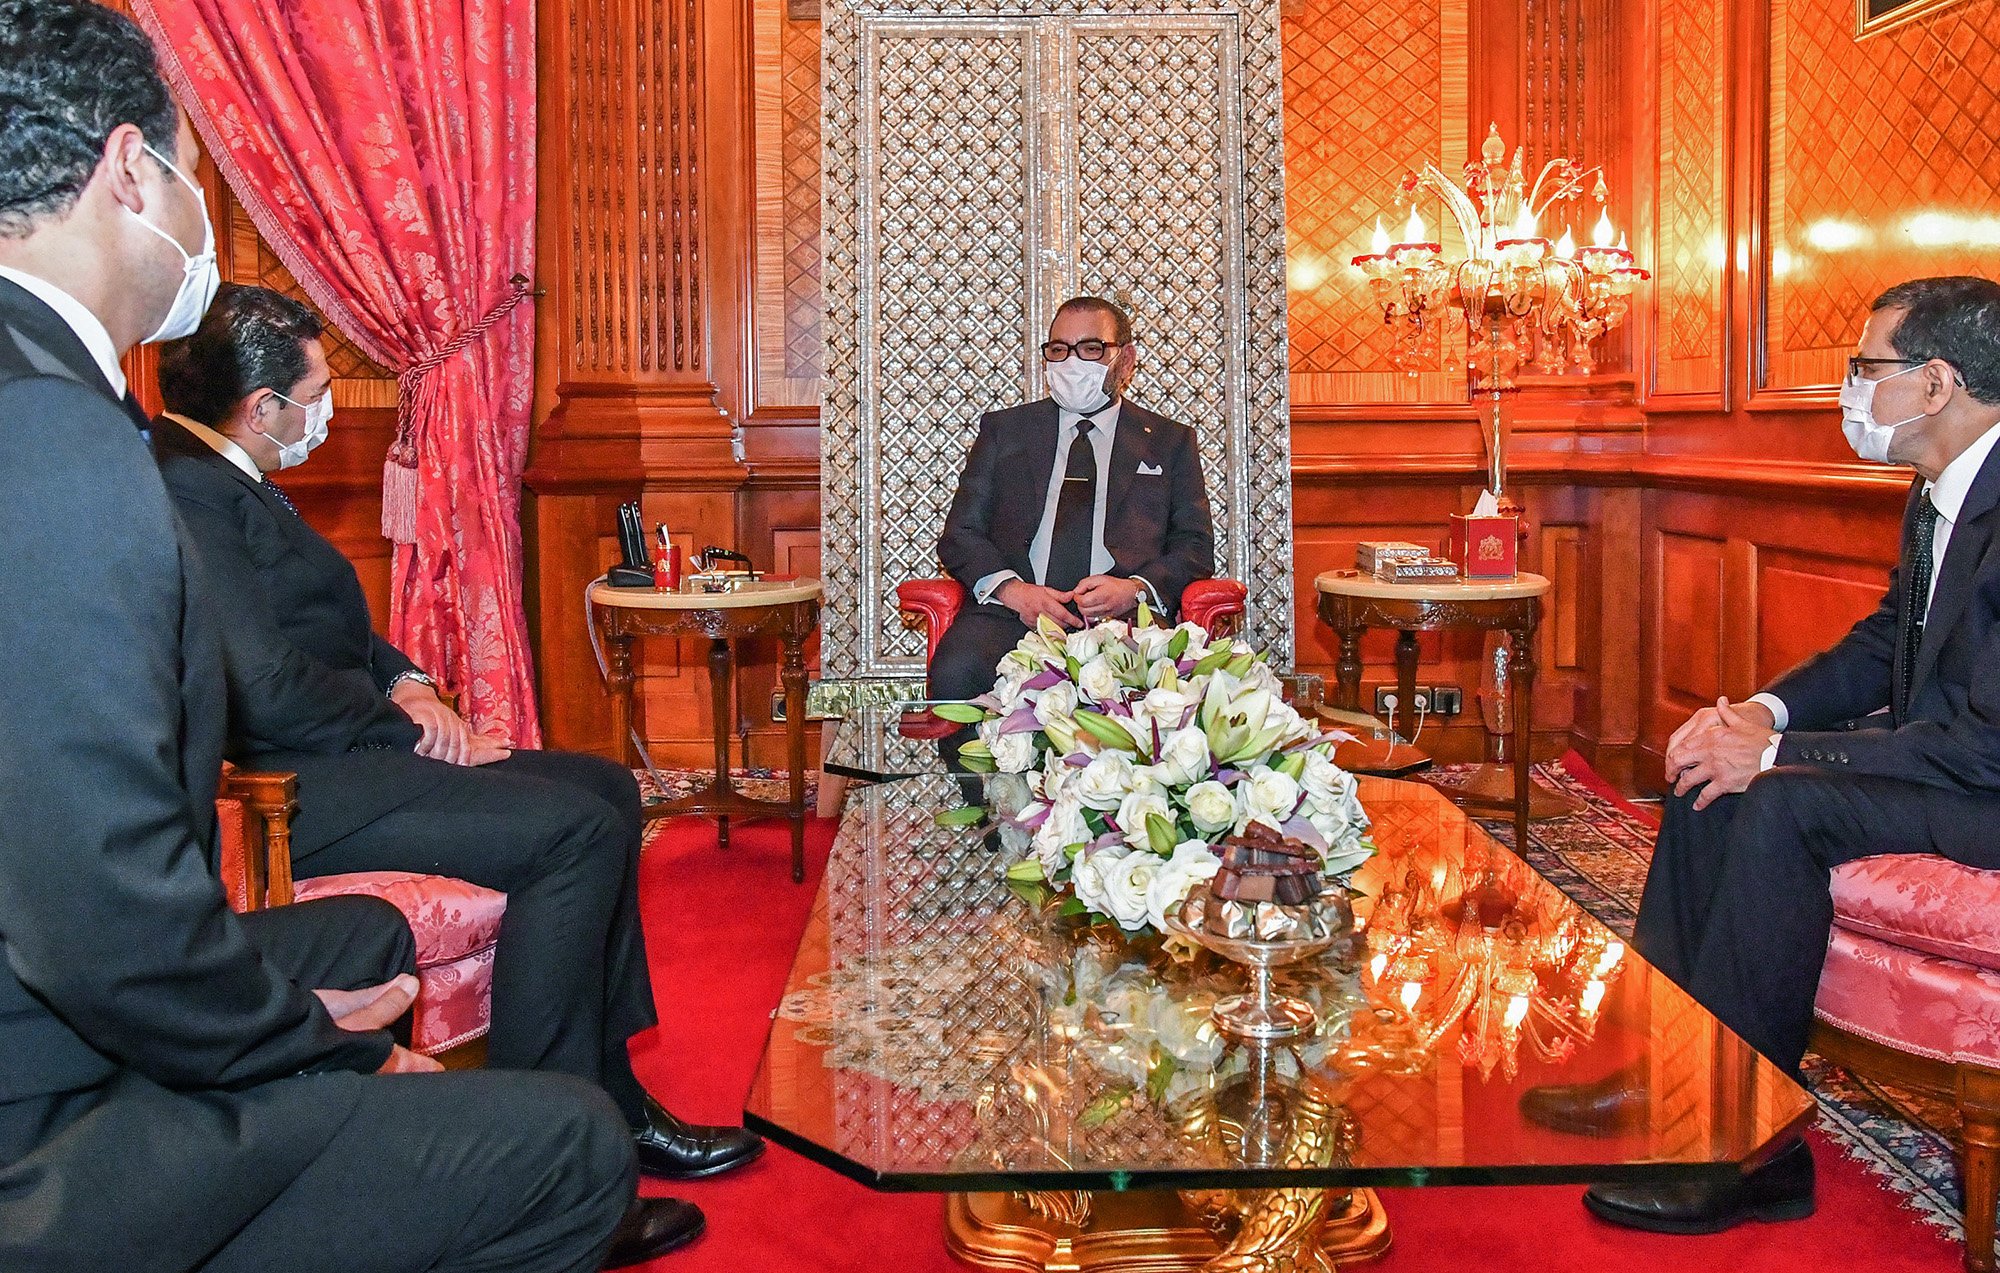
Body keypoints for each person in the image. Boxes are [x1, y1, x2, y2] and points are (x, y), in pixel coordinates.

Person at [0, 1, 694, 1266]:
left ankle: (601, 1088)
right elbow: (95, 912)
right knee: (561, 1155)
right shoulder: (57, 436)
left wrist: (414, 682)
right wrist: (331, 1050)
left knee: (396, 917)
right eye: (192, 173)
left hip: (81, 984)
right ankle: (585, 1116)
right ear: (125, 169)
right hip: (47, 1119)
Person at [150, 284, 765, 1186]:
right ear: (260, 408)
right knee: (577, 833)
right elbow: (267, 686)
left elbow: (331, 631)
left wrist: (406, 680)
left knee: (605, 788)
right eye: (317, 391)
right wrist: (410, 728)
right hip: (303, 789)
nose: (325, 409)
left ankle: (614, 1099)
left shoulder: (231, 474)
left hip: (352, 752)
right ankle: (549, 1146)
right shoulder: (190, 493)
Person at [1524, 275, 2000, 1236]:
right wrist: (1755, 711)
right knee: (1715, 779)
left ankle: (1753, 1148)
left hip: (1987, 777)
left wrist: (1777, 751)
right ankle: (1670, 1074)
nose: (1853, 391)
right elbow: (1884, 643)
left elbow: (1982, 744)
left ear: (1938, 383)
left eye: (1867, 368)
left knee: (1780, 801)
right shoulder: (1939, 486)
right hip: (1948, 751)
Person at [930, 295, 1216, 702]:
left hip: (1124, 619)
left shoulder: (1169, 442)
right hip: (1014, 613)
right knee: (957, 669)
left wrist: (1133, 589)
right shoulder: (1005, 431)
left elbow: (1194, 546)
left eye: (1091, 348)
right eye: (1059, 349)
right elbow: (961, 534)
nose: (1072, 362)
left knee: (1161, 690)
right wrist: (1014, 592)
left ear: (1126, 358)